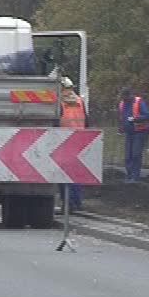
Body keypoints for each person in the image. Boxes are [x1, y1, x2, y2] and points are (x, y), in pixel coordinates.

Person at [59, 76, 86, 210]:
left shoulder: (60, 102)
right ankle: (77, 202)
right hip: (79, 139)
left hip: (63, 140)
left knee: (63, 173)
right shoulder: (80, 101)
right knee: (76, 173)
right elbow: (86, 121)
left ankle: (67, 203)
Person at [118, 87, 149, 182]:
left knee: (136, 154)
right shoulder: (122, 104)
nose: (124, 99)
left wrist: (136, 119)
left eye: (125, 97)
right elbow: (122, 117)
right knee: (128, 155)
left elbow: (147, 115)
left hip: (139, 132)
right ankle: (129, 175)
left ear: (129, 95)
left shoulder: (138, 102)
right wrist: (121, 127)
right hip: (129, 132)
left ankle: (135, 176)